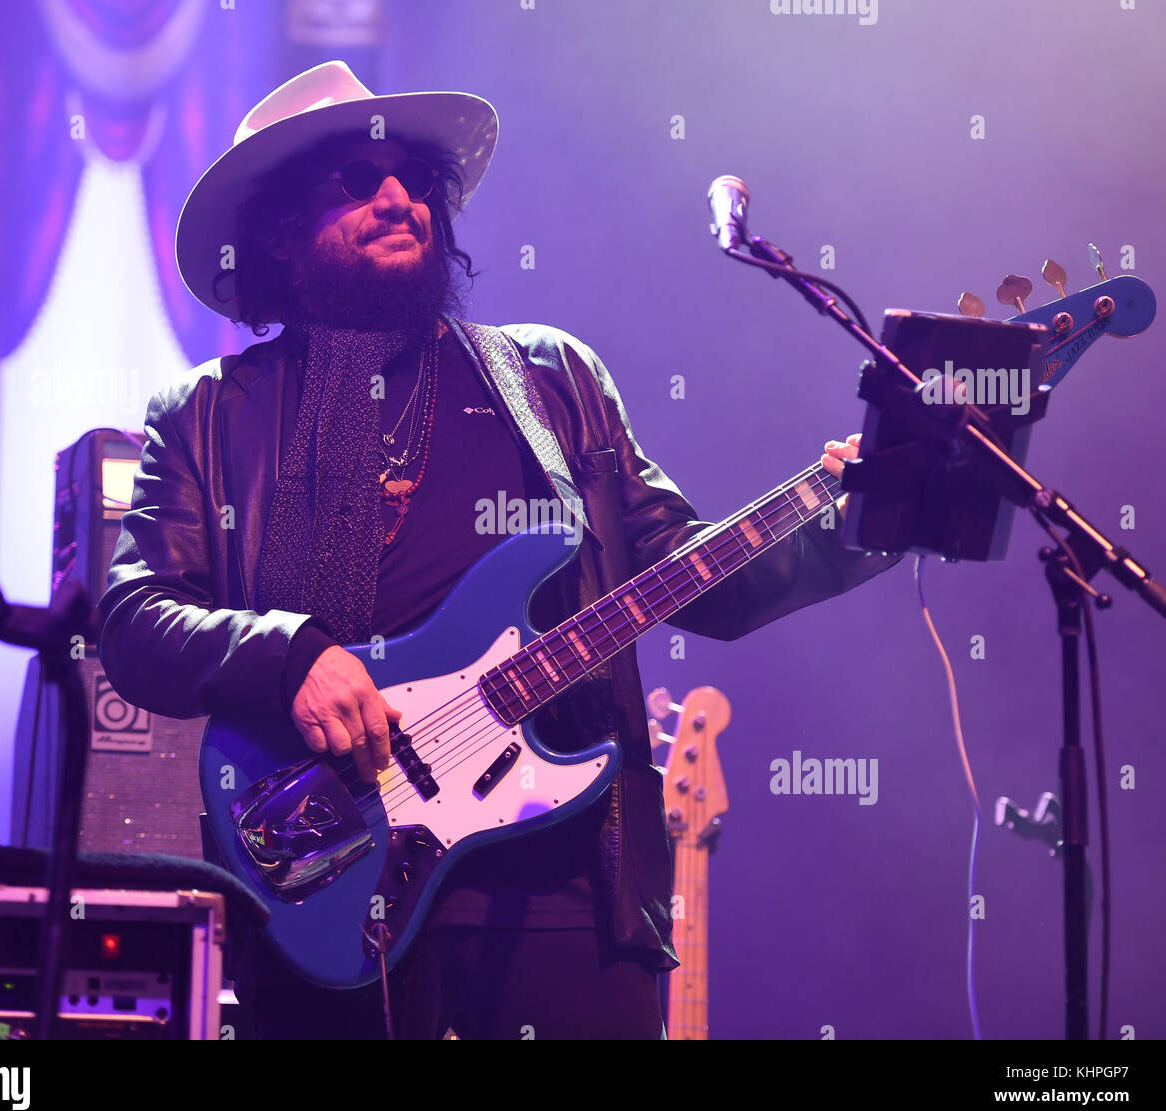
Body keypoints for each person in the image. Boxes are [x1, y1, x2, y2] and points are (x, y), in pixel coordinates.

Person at [97, 61, 899, 1040]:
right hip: (327, 892)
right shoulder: (210, 416)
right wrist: (289, 654)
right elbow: (133, 617)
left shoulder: (551, 379)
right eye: (356, 179)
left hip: (565, 901)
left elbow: (692, 576)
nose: (398, 197)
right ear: (277, 232)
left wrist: (870, 513)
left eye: (414, 180)